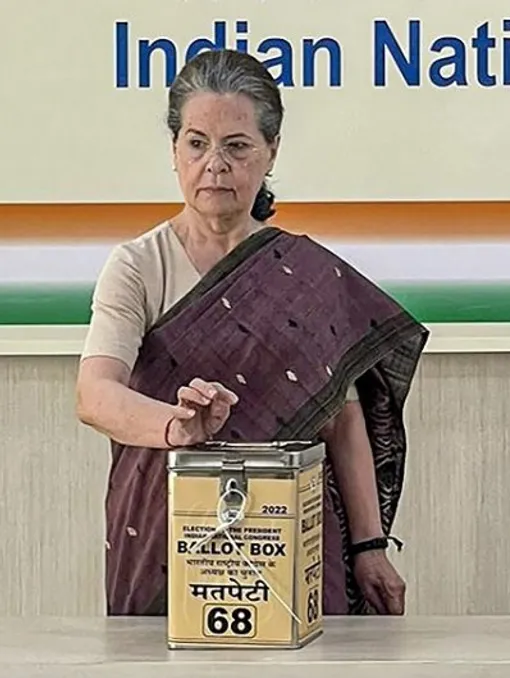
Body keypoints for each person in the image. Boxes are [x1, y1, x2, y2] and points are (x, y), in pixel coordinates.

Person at [74, 49, 428, 618]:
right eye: (196, 143)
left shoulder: (304, 271)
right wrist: (177, 426)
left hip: (289, 534)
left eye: (236, 146)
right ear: (174, 151)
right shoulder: (139, 265)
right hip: (169, 535)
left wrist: (369, 547)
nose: (214, 164)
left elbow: (342, 417)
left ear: (270, 152)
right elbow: (94, 395)